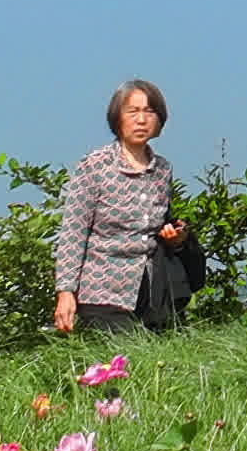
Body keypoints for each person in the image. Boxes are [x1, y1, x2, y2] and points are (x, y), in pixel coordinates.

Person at [53, 78, 182, 342]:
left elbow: (156, 225)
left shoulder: (163, 170)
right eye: (132, 112)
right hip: (103, 292)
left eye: (149, 111)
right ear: (117, 118)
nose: (142, 120)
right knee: (124, 359)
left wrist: (176, 237)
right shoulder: (94, 166)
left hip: (151, 292)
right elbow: (72, 232)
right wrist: (65, 291)